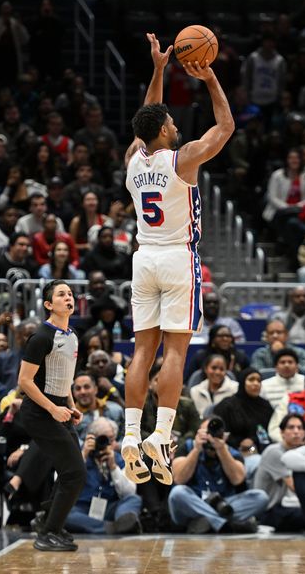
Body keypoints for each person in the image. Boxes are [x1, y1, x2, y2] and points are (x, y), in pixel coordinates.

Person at [121, 34, 235, 487]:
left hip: (143, 258)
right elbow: (224, 128)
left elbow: (145, 120)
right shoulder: (183, 161)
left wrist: (158, 69)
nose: (173, 122)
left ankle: (131, 434)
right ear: (166, 131)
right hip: (176, 259)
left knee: (141, 352)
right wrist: (210, 79)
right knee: (175, 352)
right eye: (169, 121)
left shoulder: (133, 159)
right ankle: (161, 435)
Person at [16, 280, 85, 551]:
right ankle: (48, 533)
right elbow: (25, 381)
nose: (68, 298)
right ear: (48, 305)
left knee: (72, 471)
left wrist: (70, 404)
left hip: (60, 409)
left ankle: (47, 519)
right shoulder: (41, 337)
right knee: (75, 473)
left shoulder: (72, 336)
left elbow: (64, 378)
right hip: (39, 412)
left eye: (70, 294)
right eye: (61, 294)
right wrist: (53, 408)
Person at [168, 416, 269, 533]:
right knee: (177, 493)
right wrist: (196, 450)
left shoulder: (231, 452)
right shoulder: (187, 447)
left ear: (224, 435)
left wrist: (222, 450)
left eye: (214, 433)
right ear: (198, 433)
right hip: (194, 504)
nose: (210, 436)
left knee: (260, 497)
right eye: (207, 432)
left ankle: (207, 522)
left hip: (224, 505)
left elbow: (237, 479)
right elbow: (179, 479)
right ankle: (226, 525)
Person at [65, 418, 142, 535]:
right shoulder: (77, 455)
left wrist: (113, 466)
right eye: (102, 439)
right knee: (64, 513)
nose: (106, 444)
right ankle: (114, 527)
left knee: (134, 499)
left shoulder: (119, 458)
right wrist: (83, 456)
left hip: (110, 507)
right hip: (82, 508)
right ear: (90, 438)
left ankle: (118, 523)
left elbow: (129, 492)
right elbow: (63, 485)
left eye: (110, 439)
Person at [253, 413, 305, 532]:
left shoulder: (302, 453)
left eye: (299, 428)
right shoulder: (274, 452)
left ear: (304, 433)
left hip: (288, 506)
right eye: (291, 427)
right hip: (269, 511)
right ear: (282, 432)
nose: (296, 432)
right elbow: (295, 487)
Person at [213, 368, 274, 475]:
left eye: (259, 380)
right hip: (232, 451)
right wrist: (239, 443)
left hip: (262, 450)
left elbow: (270, 431)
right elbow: (219, 432)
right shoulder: (227, 406)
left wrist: (252, 440)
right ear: (242, 382)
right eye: (251, 380)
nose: (256, 383)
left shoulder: (266, 406)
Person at [72, 373, 125, 442]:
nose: (82, 392)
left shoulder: (116, 409)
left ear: (96, 389)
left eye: (87, 387)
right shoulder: (71, 418)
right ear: (73, 393)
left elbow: (126, 435)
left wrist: (117, 446)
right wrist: (84, 449)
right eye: (78, 388)